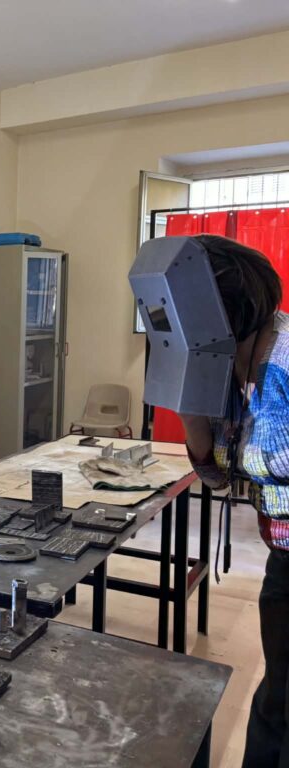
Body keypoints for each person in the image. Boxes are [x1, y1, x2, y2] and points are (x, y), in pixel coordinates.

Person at [177, 235, 289, 768]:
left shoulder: (282, 360)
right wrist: (189, 410)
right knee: (275, 699)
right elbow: (217, 476)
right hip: (283, 555)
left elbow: (266, 456)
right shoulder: (232, 364)